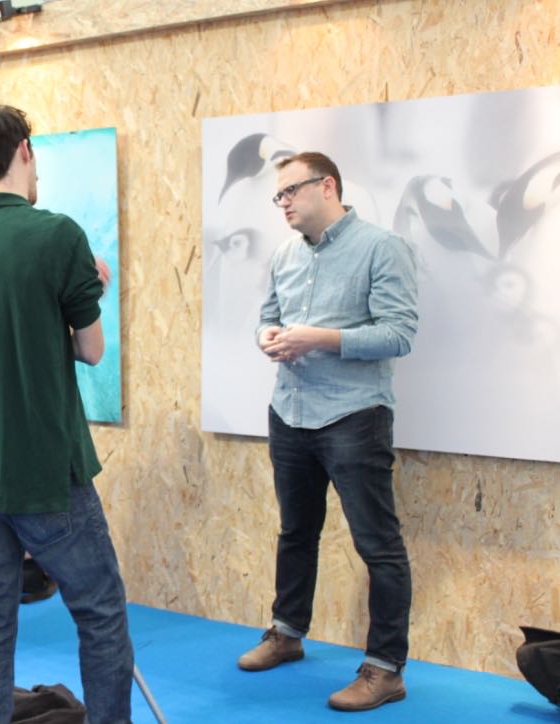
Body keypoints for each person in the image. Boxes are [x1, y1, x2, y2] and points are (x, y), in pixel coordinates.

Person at [0, 103, 134, 724]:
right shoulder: (58, 234)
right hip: (48, 468)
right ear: (25, 150)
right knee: (100, 614)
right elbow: (92, 350)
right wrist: (86, 290)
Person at [239, 151, 418, 712]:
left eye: (292, 191)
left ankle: (386, 669)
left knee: (378, 547)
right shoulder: (285, 255)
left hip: (354, 416)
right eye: (279, 196)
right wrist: (268, 336)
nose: (284, 203)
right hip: (289, 412)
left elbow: (399, 334)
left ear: (328, 186)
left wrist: (319, 338)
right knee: (296, 532)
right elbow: (267, 315)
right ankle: (286, 633)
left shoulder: (381, 248)